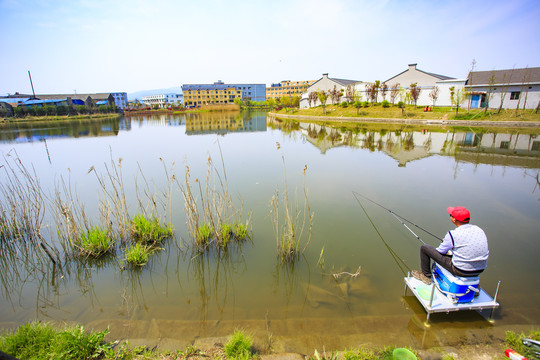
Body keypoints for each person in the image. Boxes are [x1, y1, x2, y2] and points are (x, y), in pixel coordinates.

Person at [412, 206, 489, 285]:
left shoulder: (453, 234)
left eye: (450, 215)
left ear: (454, 219)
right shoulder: (479, 230)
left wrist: (447, 242)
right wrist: (449, 243)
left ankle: (426, 276)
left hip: (460, 270)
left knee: (425, 248)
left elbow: (440, 251)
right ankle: (475, 285)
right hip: (479, 270)